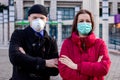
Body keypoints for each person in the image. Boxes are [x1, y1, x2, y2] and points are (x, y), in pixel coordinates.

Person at [9, 4, 59, 80]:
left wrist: (25, 59)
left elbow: (55, 70)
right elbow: (15, 58)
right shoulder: (18, 34)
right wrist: (45, 63)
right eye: (35, 18)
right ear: (29, 18)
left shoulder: (51, 41)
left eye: (42, 18)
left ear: (46, 20)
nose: (38, 21)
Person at [58, 9, 111, 80]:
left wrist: (76, 66)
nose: (84, 23)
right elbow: (63, 71)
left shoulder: (100, 44)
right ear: (76, 24)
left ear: (92, 24)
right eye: (81, 21)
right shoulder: (67, 43)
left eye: (88, 21)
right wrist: (92, 74)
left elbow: (104, 68)